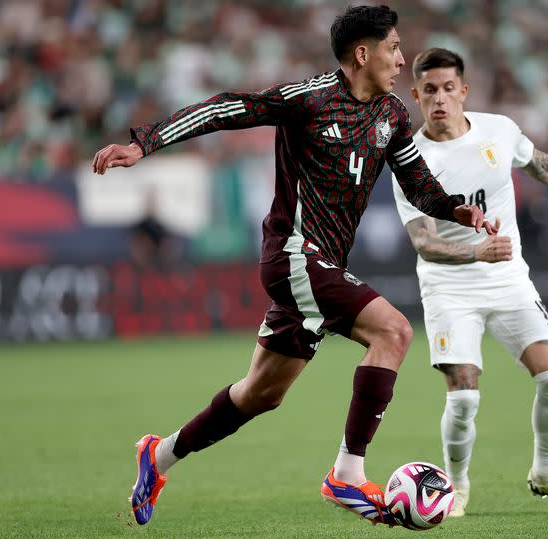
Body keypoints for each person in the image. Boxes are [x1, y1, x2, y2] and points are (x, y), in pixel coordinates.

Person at [92, 7, 495, 527]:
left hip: (321, 265)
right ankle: (347, 473)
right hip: (294, 253)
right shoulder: (308, 100)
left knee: (261, 393)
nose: (401, 59)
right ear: (363, 53)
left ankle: (159, 456)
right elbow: (224, 109)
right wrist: (142, 144)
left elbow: (416, 181)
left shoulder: (393, 115)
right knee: (393, 332)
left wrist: (455, 208)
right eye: (393, 48)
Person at [391, 48, 548, 516]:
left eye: (449, 88)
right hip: (450, 286)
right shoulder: (410, 159)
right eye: (430, 90)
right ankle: (458, 489)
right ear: (416, 96)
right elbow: (424, 241)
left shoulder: (499, 130)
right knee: (464, 393)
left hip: (508, 279)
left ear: (464, 91)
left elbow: (540, 164)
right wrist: (474, 250)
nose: (440, 99)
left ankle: (546, 472)